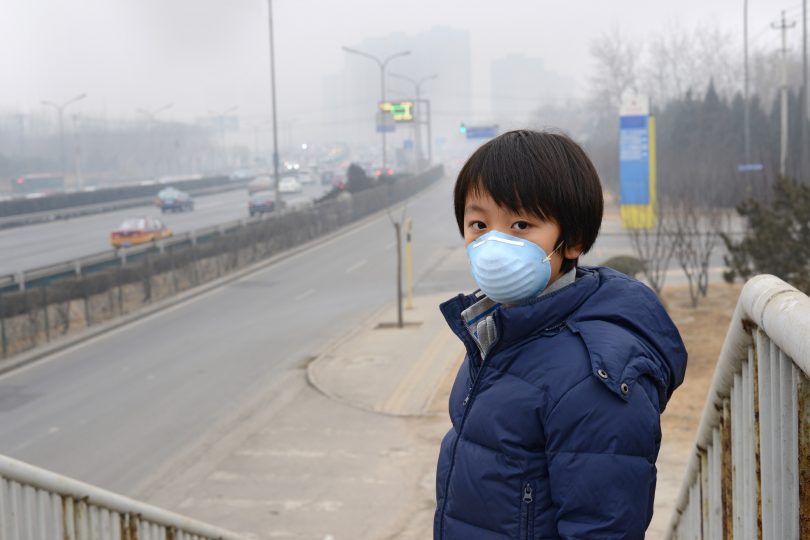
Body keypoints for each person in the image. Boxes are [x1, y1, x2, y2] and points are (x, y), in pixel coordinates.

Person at [433, 130, 687, 539]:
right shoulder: (498, 333)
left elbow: (603, 528)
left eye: (521, 224)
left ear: (573, 240)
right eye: (479, 223)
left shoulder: (593, 378)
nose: (494, 244)